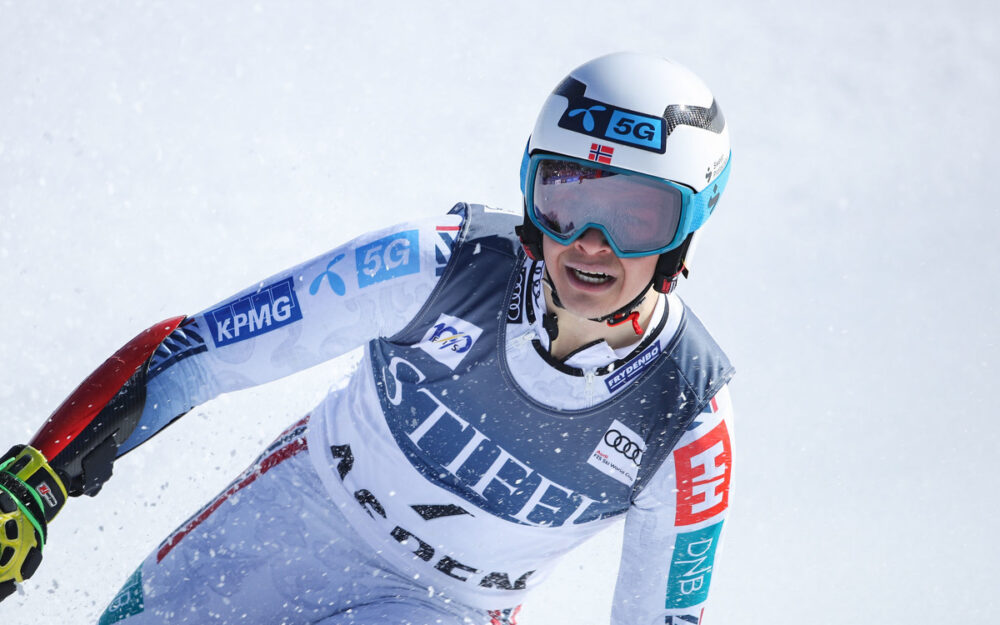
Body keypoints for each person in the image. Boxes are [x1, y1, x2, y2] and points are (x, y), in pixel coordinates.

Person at [0, 51, 735, 625]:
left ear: (688, 230)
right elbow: (199, 356)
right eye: (566, 197)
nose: (591, 245)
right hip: (294, 516)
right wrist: (39, 479)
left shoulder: (687, 417)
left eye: (636, 218)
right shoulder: (434, 265)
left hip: (444, 607)